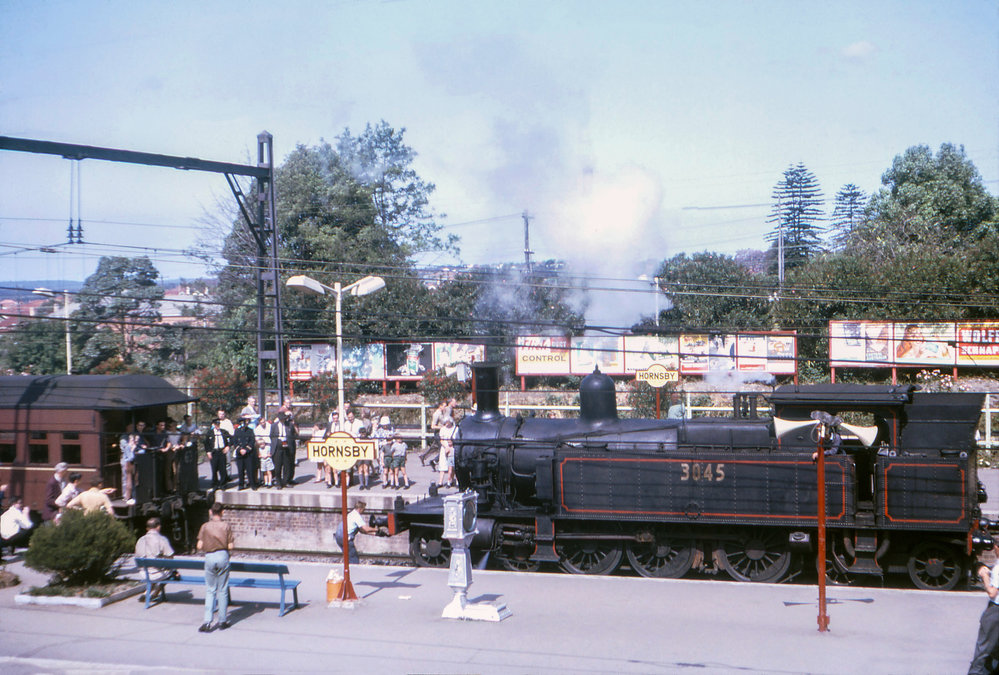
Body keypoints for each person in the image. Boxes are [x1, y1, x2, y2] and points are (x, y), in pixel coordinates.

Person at [196, 503, 234, 632]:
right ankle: (222, 621)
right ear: (222, 512)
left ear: (210, 512)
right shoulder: (226, 526)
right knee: (222, 590)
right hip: (222, 556)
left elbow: (199, 546)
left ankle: (207, 622)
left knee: (210, 590)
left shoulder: (205, 526)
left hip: (209, 557)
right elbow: (231, 546)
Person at [969, 541, 999, 674]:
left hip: (995, 610)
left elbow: (992, 593)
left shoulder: (998, 568)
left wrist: (984, 575)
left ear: (996, 548)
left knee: (983, 647)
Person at [134, 516, 175, 603]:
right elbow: (171, 557)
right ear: (158, 527)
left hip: (144, 573)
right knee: (171, 572)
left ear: (147, 528)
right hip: (157, 573)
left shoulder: (140, 540)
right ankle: (156, 593)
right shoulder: (162, 539)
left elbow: (137, 555)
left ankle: (146, 593)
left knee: (154, 569)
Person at [334, 500, 377, 565]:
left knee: (347, 556)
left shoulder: (351, 514)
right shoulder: (357, 516)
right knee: (353, 558)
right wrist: (376, 529)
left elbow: (362, 530)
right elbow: (366, 528)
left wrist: (374, 533)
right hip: (345, 537)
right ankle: (353, 569)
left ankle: (348, 568)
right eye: (363, 509)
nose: (363, 511)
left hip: (338, 536)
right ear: (360, 509)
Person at [269, 407, 297, 489]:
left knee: (287, 465)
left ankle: (286, 481)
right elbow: (271, 436)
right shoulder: (274, 426)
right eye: (281, 419)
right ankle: (278, 482)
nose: (282, 420)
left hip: (287, 447)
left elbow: (293, 434)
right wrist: (277, 441)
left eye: (284, 419)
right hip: (278, 447)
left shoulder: (289, 425)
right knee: (277, 466)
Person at [205, 418, 231, 490]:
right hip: (214, 452)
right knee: (214, 469)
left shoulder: (224, 432)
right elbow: (206, 443)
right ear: (213, 425)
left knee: (223, 469)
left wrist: (228, 446)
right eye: (216, 424)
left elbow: (231, 439)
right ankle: (215, 484)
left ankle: (223, 484)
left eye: (219, 424)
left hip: (222, 451)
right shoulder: (210, 433)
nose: (218, 425)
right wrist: (208, 452)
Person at [231, 416, 257, 490]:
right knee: (240, 470)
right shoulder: (237, 431)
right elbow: (235, 442)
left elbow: (252, 441)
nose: (243, 425)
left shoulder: (250, 431)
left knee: (250, 470)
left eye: (244, 423)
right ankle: (241, 485)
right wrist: (240, 450)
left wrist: (246, 450)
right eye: (241, 423)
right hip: (240, 454)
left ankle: (252, 484)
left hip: (248, 453)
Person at [119, 424, 138, 505]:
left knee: (133, 479)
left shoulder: (132, 443)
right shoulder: (124, 439)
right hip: (127, 461)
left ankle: (132, 495)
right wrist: (133, 448)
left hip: (131, 462)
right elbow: (129, 455)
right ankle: (126, 496)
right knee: (126, 479)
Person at [255, 418, 274, 487]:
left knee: (270, 465)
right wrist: (261, 444)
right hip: (261, 445)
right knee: (263, 467)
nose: (263, 423)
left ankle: (270, 480)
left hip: (269, 444)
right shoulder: (257, 429)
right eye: (261, 422)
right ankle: (264, 480)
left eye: (264, 422)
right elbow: (257, 438)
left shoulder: (269, 426)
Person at [438, 417, 456, 487]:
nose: (447, 424)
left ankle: (451, 480)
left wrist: (451, 447)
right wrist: (446, 447)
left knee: (452, 466)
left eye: (448, 422)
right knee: (442, 464)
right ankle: (440, 482)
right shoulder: (443, 429)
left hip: (452, 448)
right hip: (444, 447)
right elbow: (441, 440)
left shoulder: (455, 429)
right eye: (446, 422)